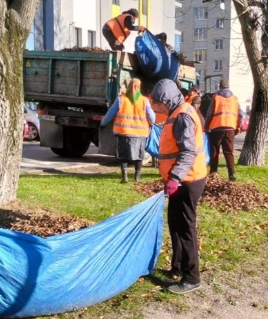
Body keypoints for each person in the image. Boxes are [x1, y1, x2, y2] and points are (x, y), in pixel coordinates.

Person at [150, 79, 207, 295]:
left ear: (168, 100)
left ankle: (192, 278)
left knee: (185, 228)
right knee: (174, 223)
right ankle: (178, 267)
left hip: (188, 180)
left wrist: (174, 178)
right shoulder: (176, 112)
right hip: (180, 181)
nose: (157, 108)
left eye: (159, 104)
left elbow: (188, 152)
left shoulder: (183, 116)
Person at [101, 78, 155, 183]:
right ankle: (137, 176)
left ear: (129, 86)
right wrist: (152, 123)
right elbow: (152, 117)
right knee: (140, 155)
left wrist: (103, 123)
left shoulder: (121, 99)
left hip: (123, 132)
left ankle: (124, 176)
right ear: (139, 87)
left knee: (123, 154)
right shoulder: (144, 100)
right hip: (140, 133)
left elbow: (110, 113)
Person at [205, 79, 245, 181]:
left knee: (215, 152)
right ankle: (231, 174)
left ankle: (213, 174)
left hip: (216, 129)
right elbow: (241, 114)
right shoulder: (234, 99)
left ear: (220, 86)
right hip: (230, 129)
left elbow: (209, 114)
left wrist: (206, 126)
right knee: (229, 152)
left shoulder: (216, 97)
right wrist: (238, 127)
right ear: (228, 86)